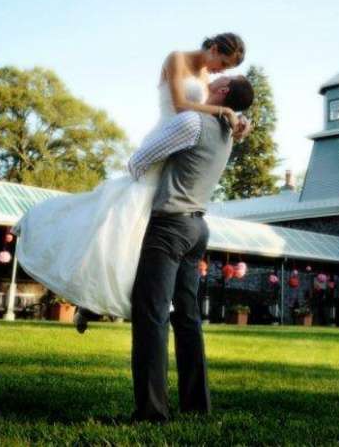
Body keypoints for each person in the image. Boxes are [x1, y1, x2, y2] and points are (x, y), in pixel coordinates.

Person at [14, 33, 250, 323]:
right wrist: (222, 109)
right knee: (123, 219)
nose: (220, 71)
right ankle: (83, 282)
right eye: (222, 63)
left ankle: (100, 299)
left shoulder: (206, 77)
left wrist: (236, 122)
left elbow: (205, 120)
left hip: (179, 154)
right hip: (164, 141)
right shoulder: (177, 58)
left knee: (143, 233)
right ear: (213, 48)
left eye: (226, 70)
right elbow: (179, 105)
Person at [128, 74, 253, 420]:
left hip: (170, 226)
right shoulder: (229, 131)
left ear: (223, 91)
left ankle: (152, 411)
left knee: (151, 314)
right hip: (198, 228)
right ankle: (196, 406)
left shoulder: (193, 122)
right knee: (187, 317)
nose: (214, 76)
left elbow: (140, 159)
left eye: (222, 76)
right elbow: (238, 120)